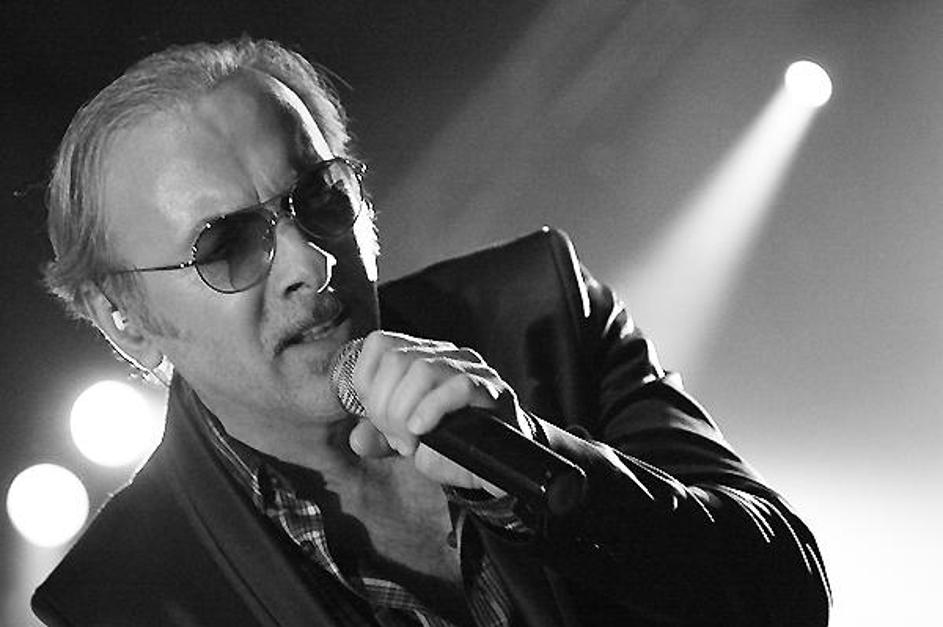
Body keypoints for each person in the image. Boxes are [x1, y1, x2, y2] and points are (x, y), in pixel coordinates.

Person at [33, 38, 830, 626]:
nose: (311, 261)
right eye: (226, 245)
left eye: (320, 197)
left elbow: (787, 592)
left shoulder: (541, 308)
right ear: (126, 322)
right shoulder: (120, 596)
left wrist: (534, 466)